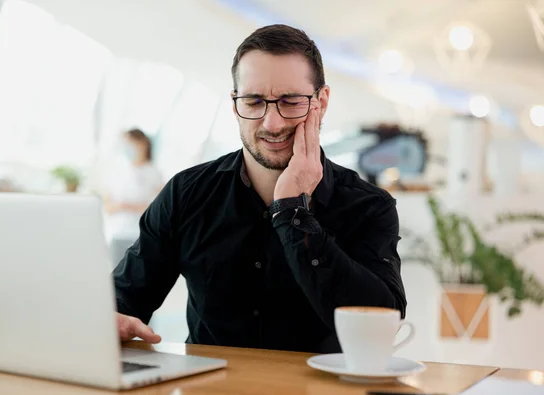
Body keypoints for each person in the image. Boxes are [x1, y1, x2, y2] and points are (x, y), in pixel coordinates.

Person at [113, 24, 407, 353]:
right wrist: (112, 316)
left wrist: (292, 210)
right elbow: (127, 295)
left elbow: (382, 321)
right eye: (254, 102)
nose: (272, 123)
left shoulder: (368, 205)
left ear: (320, 101)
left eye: (291, 101)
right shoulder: (187, 193)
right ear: (235, 102)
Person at [102, 128, 163, 264]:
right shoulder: (117, 172)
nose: (127, 148)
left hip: (140, 235)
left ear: (143, 144)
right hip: (117, 233)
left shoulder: (154, 173)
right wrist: (124, 206)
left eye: (130, 143)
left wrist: (125, 206)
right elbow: (107, 206)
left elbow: (158, 208)